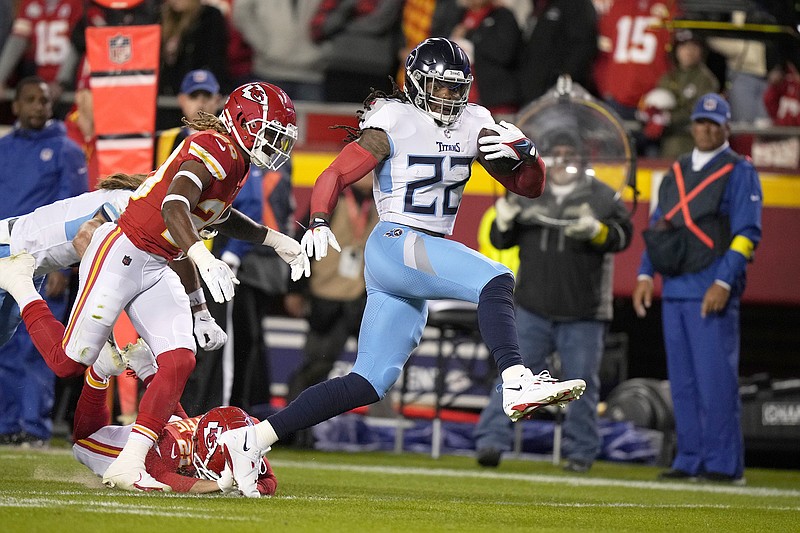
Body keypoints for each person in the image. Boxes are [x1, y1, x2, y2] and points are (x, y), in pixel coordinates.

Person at [215, 38, 587, 497]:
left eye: (456, 89)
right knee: (496, 278)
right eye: (440, 87)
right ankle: (515, 380)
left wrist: (528, 155)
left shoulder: (476, 122)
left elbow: (529, 188)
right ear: (415, 82)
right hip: (395, 240)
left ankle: (252, 439)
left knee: (367, 382)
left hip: (415, 256)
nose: (449, 98)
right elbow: (334, 173)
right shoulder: (394, 117)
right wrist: (316, 221)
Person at [0, 81, 310, 492]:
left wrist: (275, 242)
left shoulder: (235, 160)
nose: (275, 144)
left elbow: (214, 218)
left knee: (181, 359)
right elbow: (175, 207)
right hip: (122, 253)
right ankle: (19, 282)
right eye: (269, 132)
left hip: (158, 263)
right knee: (68, 362)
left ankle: (129, 465)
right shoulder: (214, 147)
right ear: (240, 122)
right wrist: (204, 256)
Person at [473, 129, 633, 472]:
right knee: (511, 377)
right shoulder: (529, 189)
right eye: (556, 152)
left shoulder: (603, 197)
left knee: (582, 385)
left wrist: (598, 232)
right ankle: (491, 442)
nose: (562, 160)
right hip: (532, 305)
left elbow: (623, 237)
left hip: (584, 310)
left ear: (582, 161)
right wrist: (503, 221)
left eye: (569, 154)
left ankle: (580, 454)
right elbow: (501, 238)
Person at [632, 93, 762, 484]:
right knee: (684, 384)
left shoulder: (740, 171)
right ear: (692, 126)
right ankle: (689, 460)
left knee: (716, 382)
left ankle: (723, 466)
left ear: (726, 128)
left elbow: (747, 234)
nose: (705, 129)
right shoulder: (676, 169)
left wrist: (724, 281)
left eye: (713, 123)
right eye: (700, 122)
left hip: (710, 287)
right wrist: (643, 273)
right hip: (675, 288)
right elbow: (660, 226)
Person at [0, 76, 87, 447]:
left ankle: (33, 428)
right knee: (4, 343)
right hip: (4, 256)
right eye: (31, 99)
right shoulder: (3, 148)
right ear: (16, 105)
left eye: (45, 101)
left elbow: (75, 208)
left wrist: (64, 268)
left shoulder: (67, 150)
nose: (38, 106)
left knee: (37, 346)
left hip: (42, 261)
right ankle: (6, 426)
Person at [72, 339, 276, 495]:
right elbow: (167, 479)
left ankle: (147, 370)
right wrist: (221, 485)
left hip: (172, 427)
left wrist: (250, 484)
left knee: (176, 420)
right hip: (145, 446)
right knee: (82, 442)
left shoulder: (242, 430)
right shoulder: (171, 448)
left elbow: (270, 479)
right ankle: (99, 373)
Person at [0, 172, 141, 347]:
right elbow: (82, 240)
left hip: (29, 265)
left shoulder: (132, 201)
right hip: (8, 248)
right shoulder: (128, 202)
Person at [285, 175, 379, 415]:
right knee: (317, 366)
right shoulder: (331, 200)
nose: (369, 176)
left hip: (363, 296)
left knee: (380, 363)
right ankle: (294, 424)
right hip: (326, 294)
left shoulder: (383, 201)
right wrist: (295, 290)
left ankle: (384, 425)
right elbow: (304, 243)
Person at [638, 30, 720, 160]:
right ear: (676, 51)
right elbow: (655, 105)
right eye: (683, 46)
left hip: (693, 147)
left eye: (693, 46)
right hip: (665, 147)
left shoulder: (706, 80)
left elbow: (703, 111)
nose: (688, 51)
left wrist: (669, 117)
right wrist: (648, 114)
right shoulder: (667, 78)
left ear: (701, 51)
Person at [0, 0, 84, 97]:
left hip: (72, 79)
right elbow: (18, 39)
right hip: (41, 77)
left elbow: (77, 43)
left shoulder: (78, 3)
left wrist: (61, 81)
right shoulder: (30, 3)